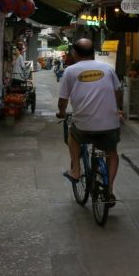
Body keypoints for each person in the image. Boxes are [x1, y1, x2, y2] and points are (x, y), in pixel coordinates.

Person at [56, 38, 123, 204]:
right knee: (112, 152)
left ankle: (76, 171)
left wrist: (62, 112)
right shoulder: (107, 68)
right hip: (110, 124)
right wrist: (116, 108)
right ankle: (109, 190)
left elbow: (63, 99)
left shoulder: (70, 71)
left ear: (75, 53)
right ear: (93, 52)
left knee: (73, 134)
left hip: (84, 126)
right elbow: (117, 92)